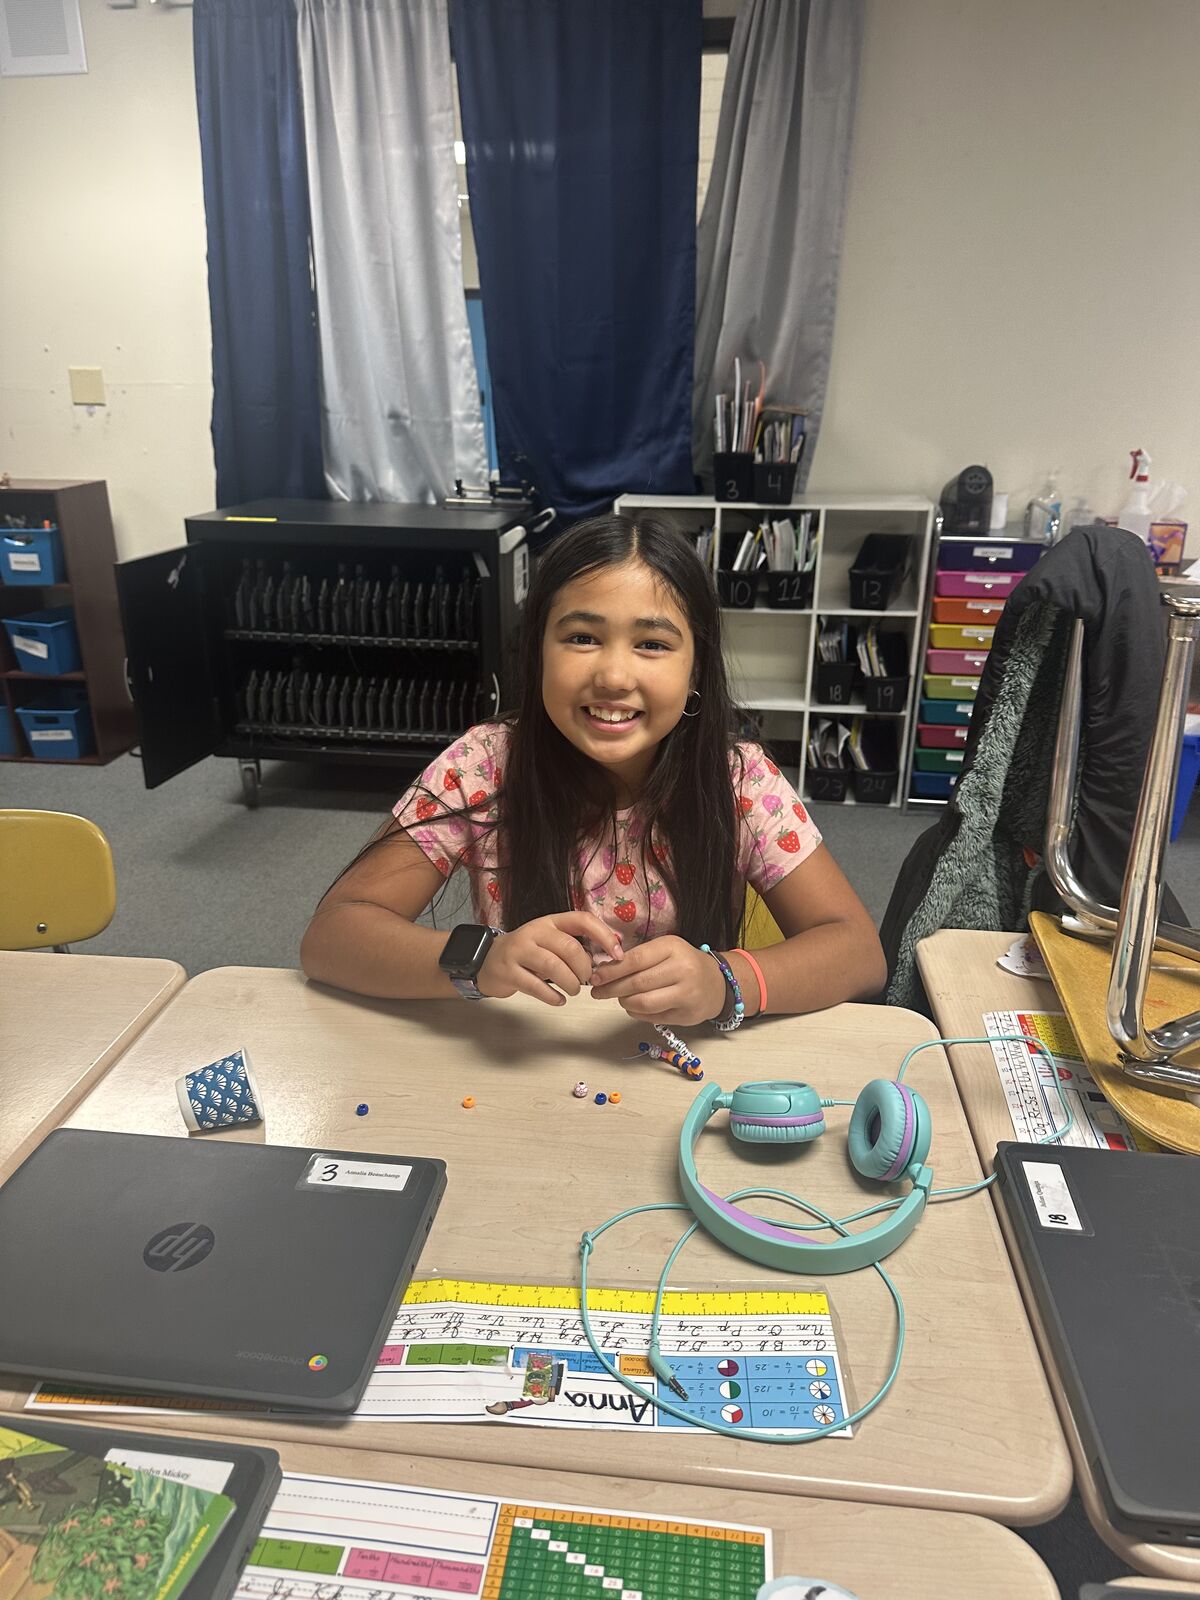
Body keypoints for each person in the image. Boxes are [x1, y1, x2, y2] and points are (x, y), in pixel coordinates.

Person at [301, 512, 885, 1022]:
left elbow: (858, 954)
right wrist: (480, 957)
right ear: (537, 654)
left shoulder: (741, 780)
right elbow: (332, 937)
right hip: (519, 1061)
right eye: (582, 637)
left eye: (653, 644)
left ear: (696, 673)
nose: (612, 676)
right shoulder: (482, 764)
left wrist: (724, 982)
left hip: (685, 1073)